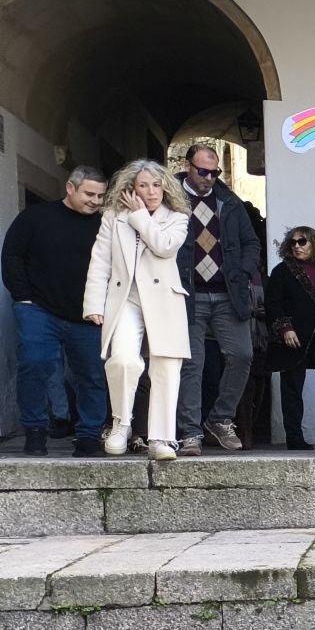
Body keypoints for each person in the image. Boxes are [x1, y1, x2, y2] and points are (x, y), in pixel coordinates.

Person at [81, 161, 190, 461]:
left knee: (166, 366)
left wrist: (140, 216)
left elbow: (165, 246)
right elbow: (100, 260)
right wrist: (93, 303)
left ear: (166, 186)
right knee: (124, 360)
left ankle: (162, 438)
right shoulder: (113, 216)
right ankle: (121, 423)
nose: (151, 191)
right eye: (143, 185)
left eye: (156, 184)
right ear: (131, 188)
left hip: (164, 300)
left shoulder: (178, 217)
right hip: (125, 298)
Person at [3, 165, 110, 456]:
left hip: (88, 314)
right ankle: (35, 431)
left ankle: (88, 436)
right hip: (38, 309)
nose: (95, 201)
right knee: (35, 364)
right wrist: (23, 297)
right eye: (89, 194)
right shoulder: (35, 217)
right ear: (70, 188)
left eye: (101, 196)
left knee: (92, 374)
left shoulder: (105, 225)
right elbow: (12, 255)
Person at [174, 142, 262, 454]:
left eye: (215, 172)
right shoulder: (171, 198)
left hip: (227, 295)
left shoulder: (230, 201)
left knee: (242, 356)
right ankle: (190, 433)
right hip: (189, 296)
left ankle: (220, 418)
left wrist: (242, 270)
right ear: (188, 167)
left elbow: (252, 242)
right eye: (203, 171)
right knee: (191, 365)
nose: (209, 177)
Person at [264, 227, 315, 450]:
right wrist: (285, 328)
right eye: (292, 242)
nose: (297, 246)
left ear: (314, 243)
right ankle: (294, 438)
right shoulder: (282, 271)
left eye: (302, 241)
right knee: (291, 389)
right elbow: (273, 303)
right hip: (294, 338)